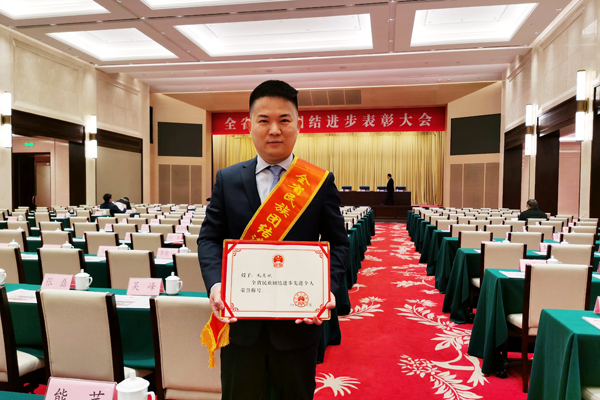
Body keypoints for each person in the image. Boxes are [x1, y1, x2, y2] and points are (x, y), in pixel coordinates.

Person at [198, 80, 349, 400]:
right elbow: (209, 239)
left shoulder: (318, 182)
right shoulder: (227, 179)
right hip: (240, 327)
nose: (275, 130)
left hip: (297, 327)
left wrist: (327, 289)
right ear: (250, 126)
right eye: (264, 120)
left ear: (298, 125)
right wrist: (215, 285)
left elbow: (339, 243)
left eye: (284, 120)